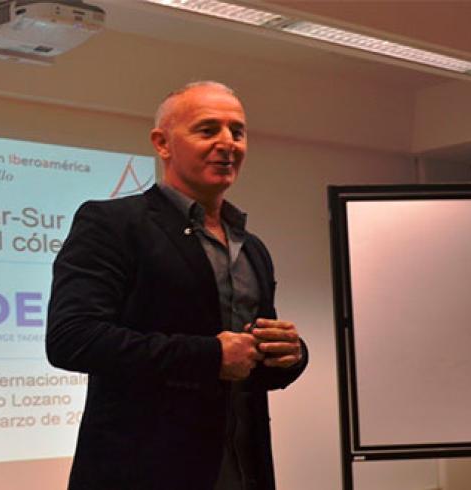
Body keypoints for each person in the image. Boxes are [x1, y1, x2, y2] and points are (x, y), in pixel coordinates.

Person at [46, 81, 307, 490]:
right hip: (144, 475)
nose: (227, 143)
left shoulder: (251, 248)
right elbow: (72, 339)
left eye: (237, 132)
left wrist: (289, 355)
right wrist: (209, 356)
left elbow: (249, 366)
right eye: (208, 130)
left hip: (243, 472)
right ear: (162, 143)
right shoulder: (113, 225)